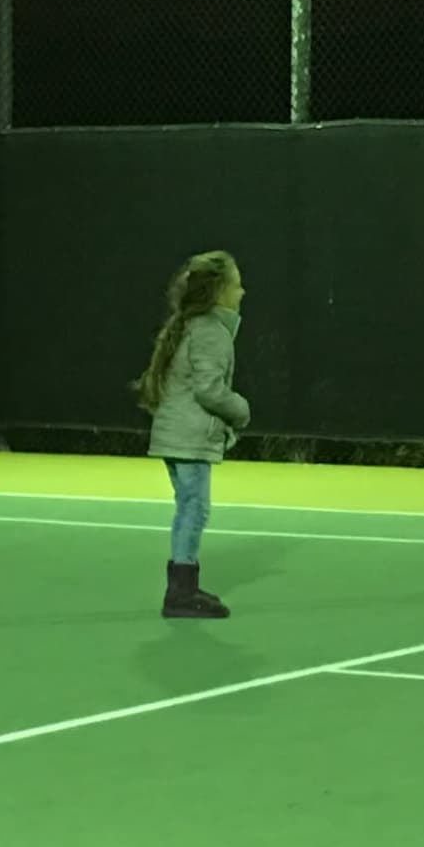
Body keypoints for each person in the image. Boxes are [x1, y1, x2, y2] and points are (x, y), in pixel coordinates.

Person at [133, 250, 248, 619]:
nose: (242, 292)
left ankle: (184, 587)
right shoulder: (212, 333)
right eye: (236, 284)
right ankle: (180, 593)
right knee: (194, 510)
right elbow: (210, 390)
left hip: (176, 435)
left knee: (188, 509)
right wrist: (241, 410)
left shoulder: (192, 327)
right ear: (219, 291)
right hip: (190, 437)